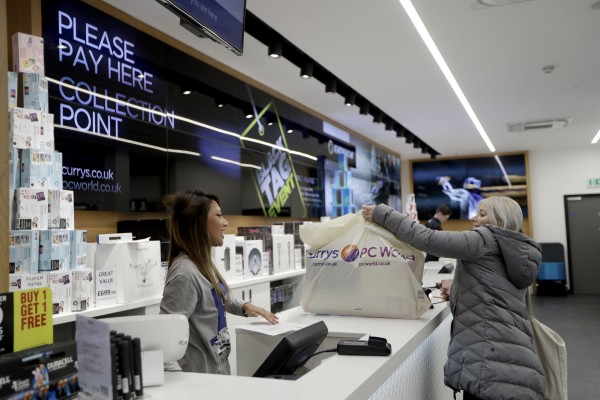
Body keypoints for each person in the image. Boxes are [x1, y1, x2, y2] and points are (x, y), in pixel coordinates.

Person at [362, 196, 544, 400]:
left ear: (500, 222)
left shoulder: (484, 239)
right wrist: (458, 288)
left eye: (482, 214)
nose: (474, 218)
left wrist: (383, 215)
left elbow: (426, 238)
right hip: (514, 360)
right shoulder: (516, 250)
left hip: (488, 364)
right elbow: (494, 292)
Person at [160, 189, 278, 374]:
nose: (225, 222)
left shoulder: (203, 264)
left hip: (218, 372)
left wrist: (245, 306)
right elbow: (165, 340)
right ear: (198, 223)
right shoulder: (185, 274)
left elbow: (215, 298)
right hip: (199, 384)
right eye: (219, 215)